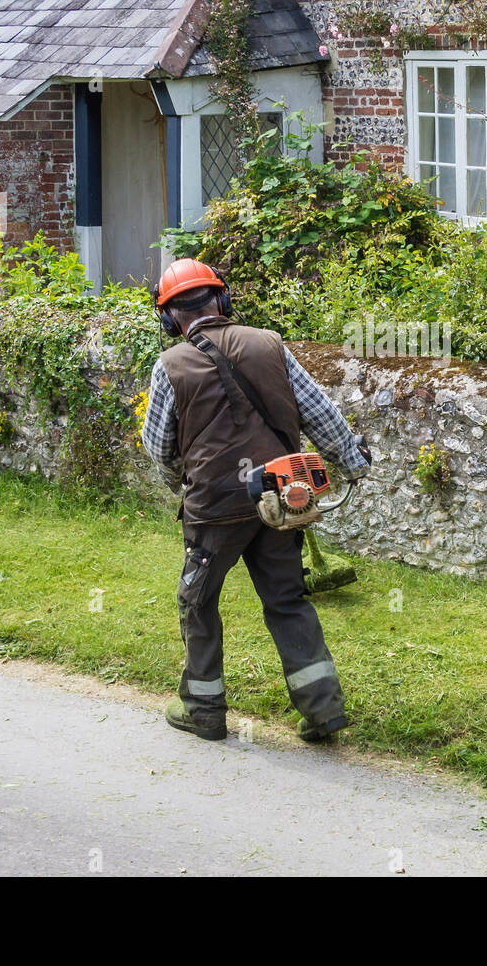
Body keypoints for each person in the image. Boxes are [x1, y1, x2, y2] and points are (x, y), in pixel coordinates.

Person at [140, 258, 371, 743]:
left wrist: (179, 481)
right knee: (287, 599)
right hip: (278, 500)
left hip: (213, 508)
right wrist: (353, 463)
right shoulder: (270, 344)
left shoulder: (170, 366)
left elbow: (158, 447)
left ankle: (203, 709)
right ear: (221, 299)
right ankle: (323, 709)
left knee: (198, 600)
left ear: (168, 317)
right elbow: (321, 415)